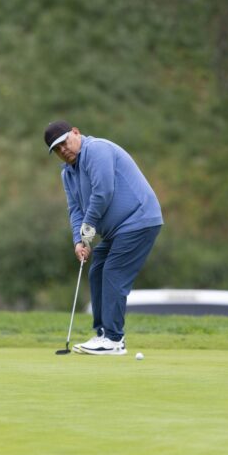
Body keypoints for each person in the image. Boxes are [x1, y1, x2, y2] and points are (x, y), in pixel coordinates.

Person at [44, 120, 163, 355]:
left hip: (138, 220)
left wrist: (88, 229)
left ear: (76, 133)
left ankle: (114, 339)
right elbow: (75, 210)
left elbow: (103, 192)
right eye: (57, 149)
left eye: (64, 143)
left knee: (113, 272)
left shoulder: (96, 150)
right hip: (116, 230)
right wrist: (79, 241)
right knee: (98, 269)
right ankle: (102, 334)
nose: (63, 150)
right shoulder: (68, 174)